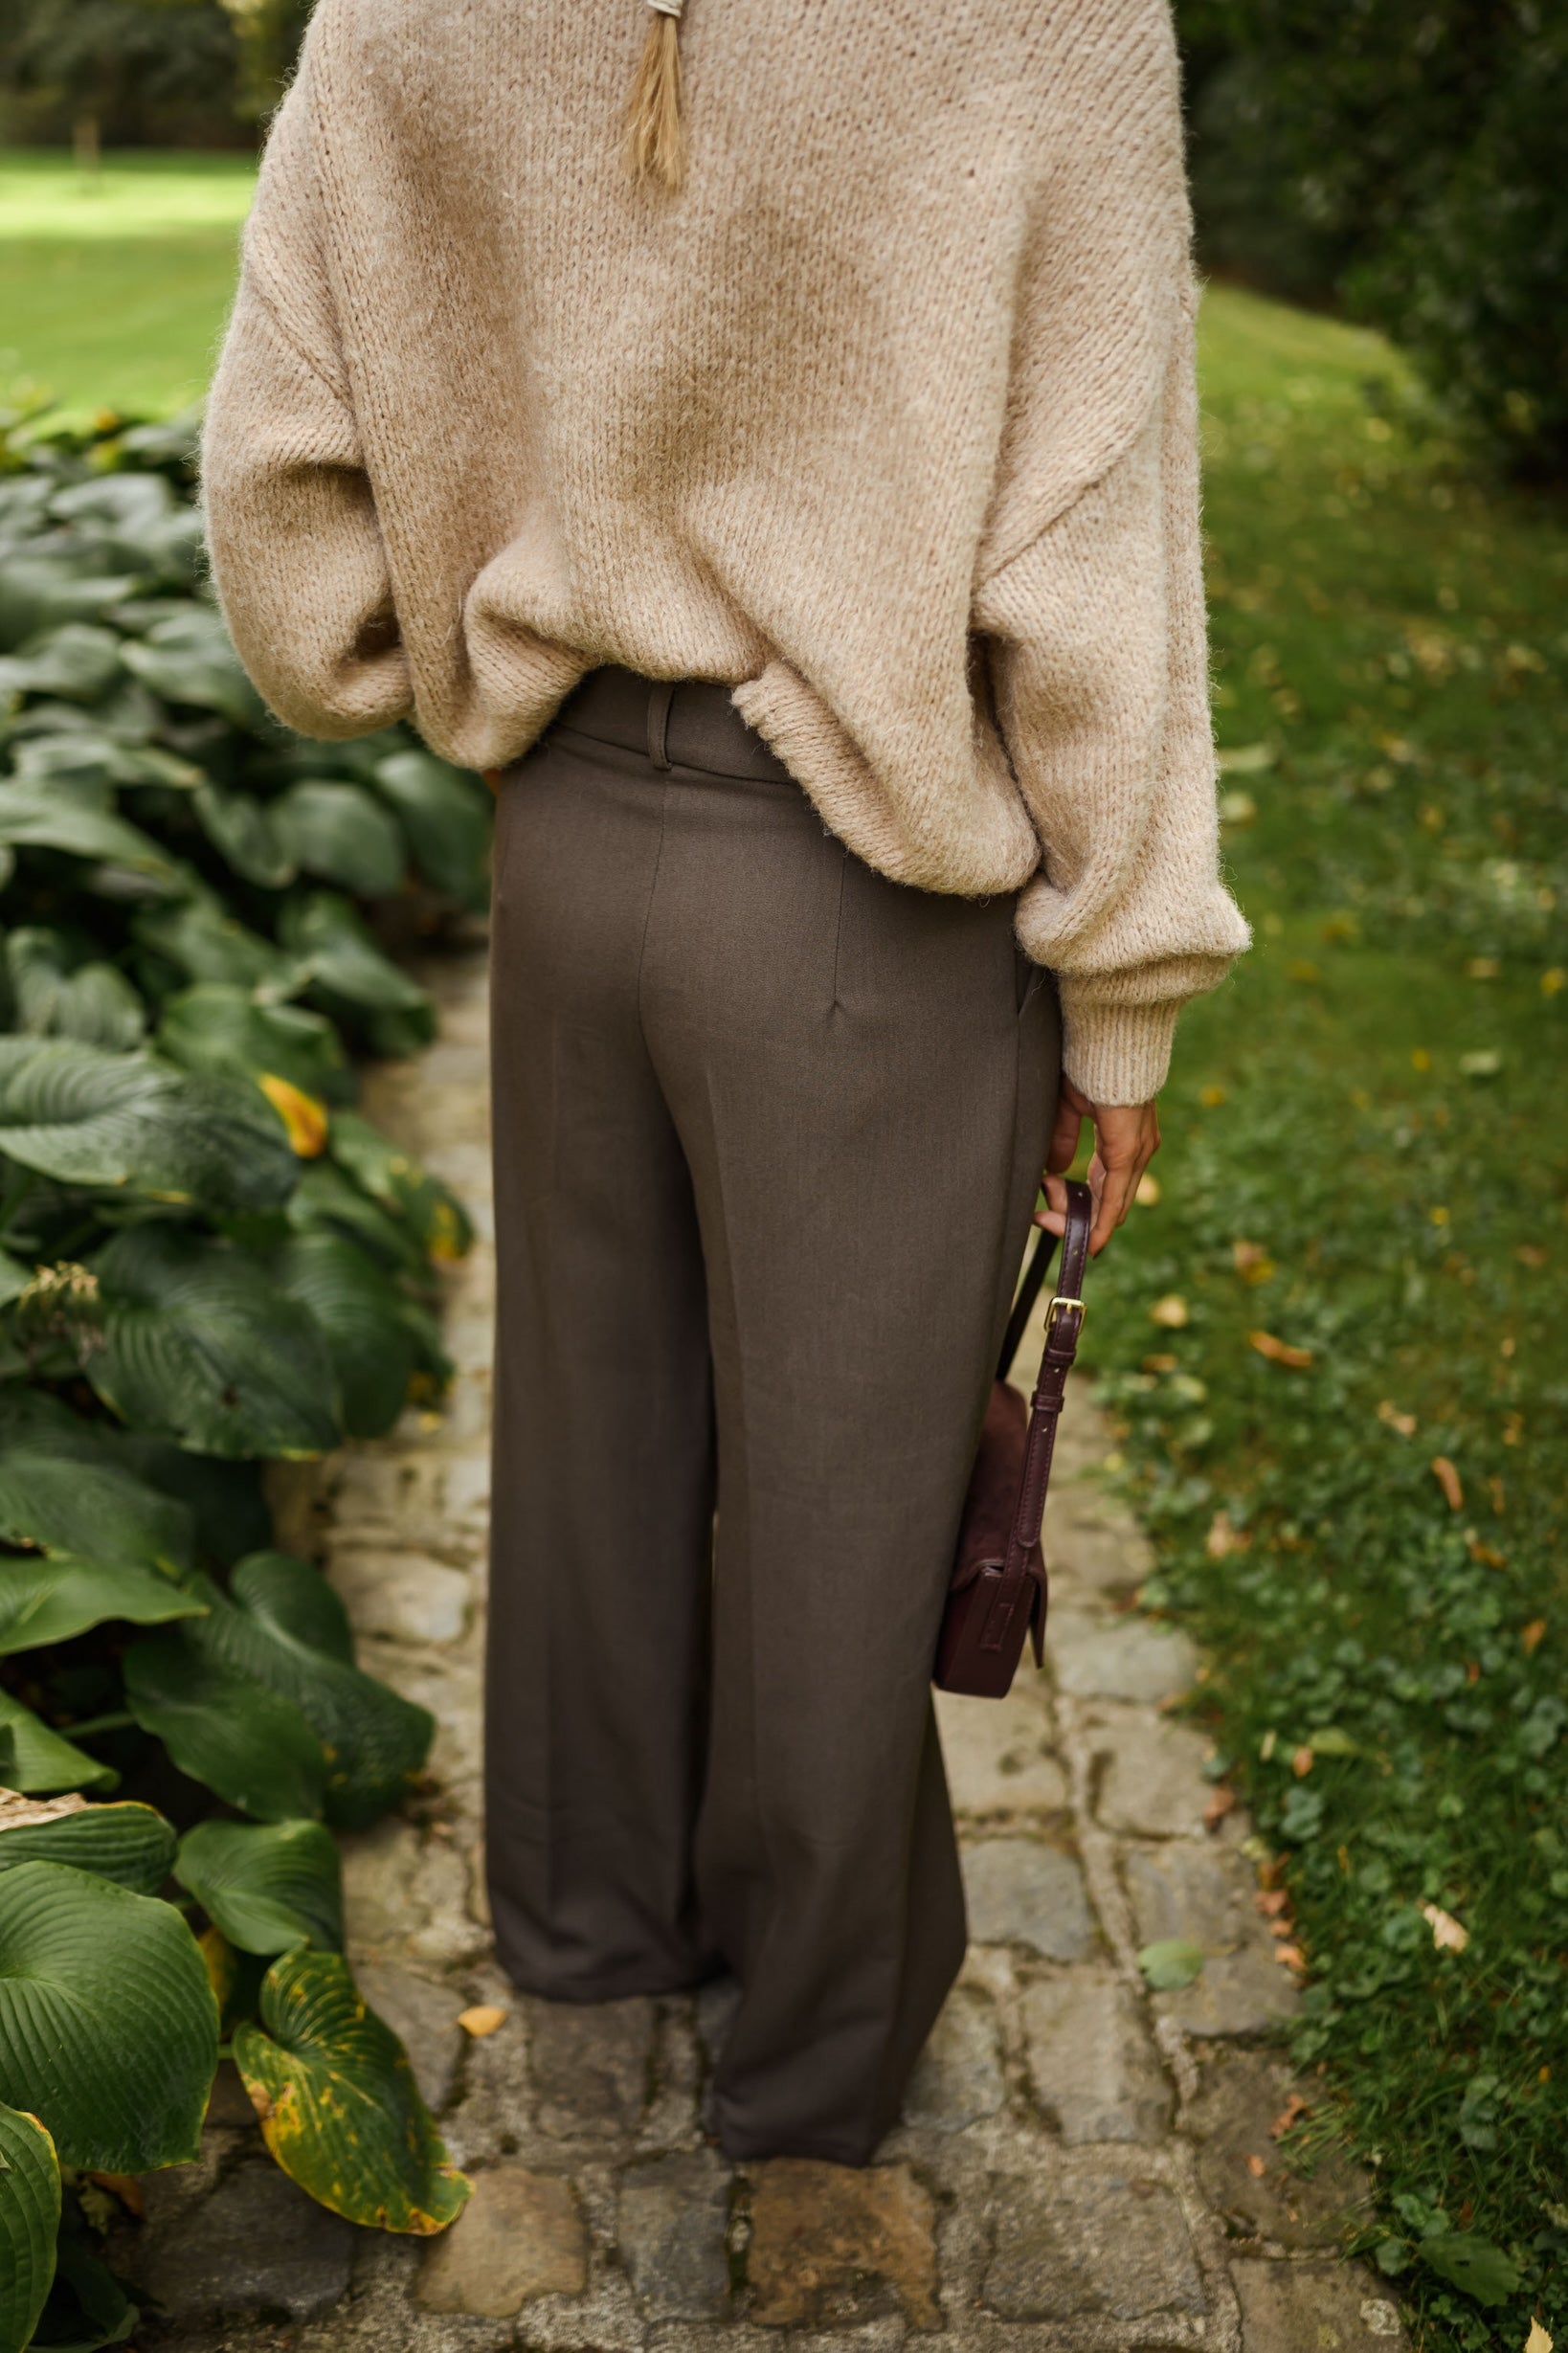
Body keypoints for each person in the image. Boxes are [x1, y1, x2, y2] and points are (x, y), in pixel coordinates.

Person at [203, 0, 1248, 2167]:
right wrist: (1120, 990)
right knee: (843, 1517)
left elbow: (283, 489)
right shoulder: (1041, 24)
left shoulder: (414, 12)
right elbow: (1097, 550)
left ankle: (584, 1942)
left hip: (567, 851)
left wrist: (465, 652)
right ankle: (809, 2082)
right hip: (868, 894)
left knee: (593, 1443)